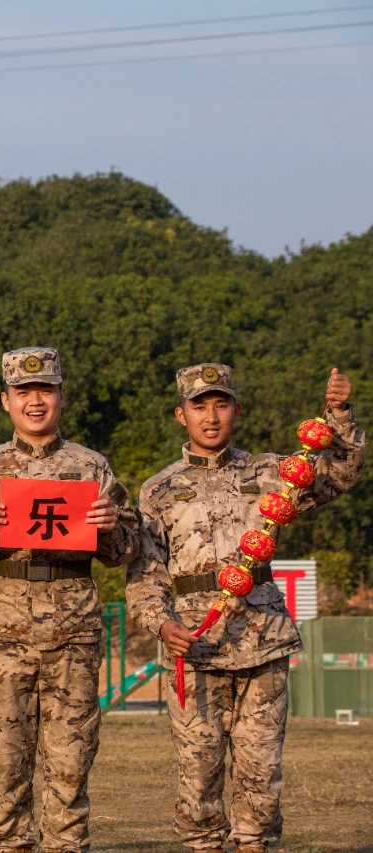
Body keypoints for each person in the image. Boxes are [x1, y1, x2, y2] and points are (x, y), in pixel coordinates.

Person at [126, 364, 364, 853]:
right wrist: (162, 624)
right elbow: (145, 575)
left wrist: (339, 414)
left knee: (260, 777)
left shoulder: (272, 472)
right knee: (198, 778)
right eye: (199, 406)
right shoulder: (158, 489)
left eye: (221, 404)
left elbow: (339, 475)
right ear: (181, 415)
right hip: (196, 647)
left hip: (262, 641)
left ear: (236, 410)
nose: (211, 417)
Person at [0, 346, 139, 853]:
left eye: (45, 390)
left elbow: (125, 552)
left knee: (72, 762)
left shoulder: (91, 467)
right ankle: (9, 846)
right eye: (23, 391)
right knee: (7, 760)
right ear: (5, 400)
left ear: (61, 397)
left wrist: (110, 529)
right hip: (3, 636)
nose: (35, 401)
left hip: (73, 633)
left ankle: (67, 846)